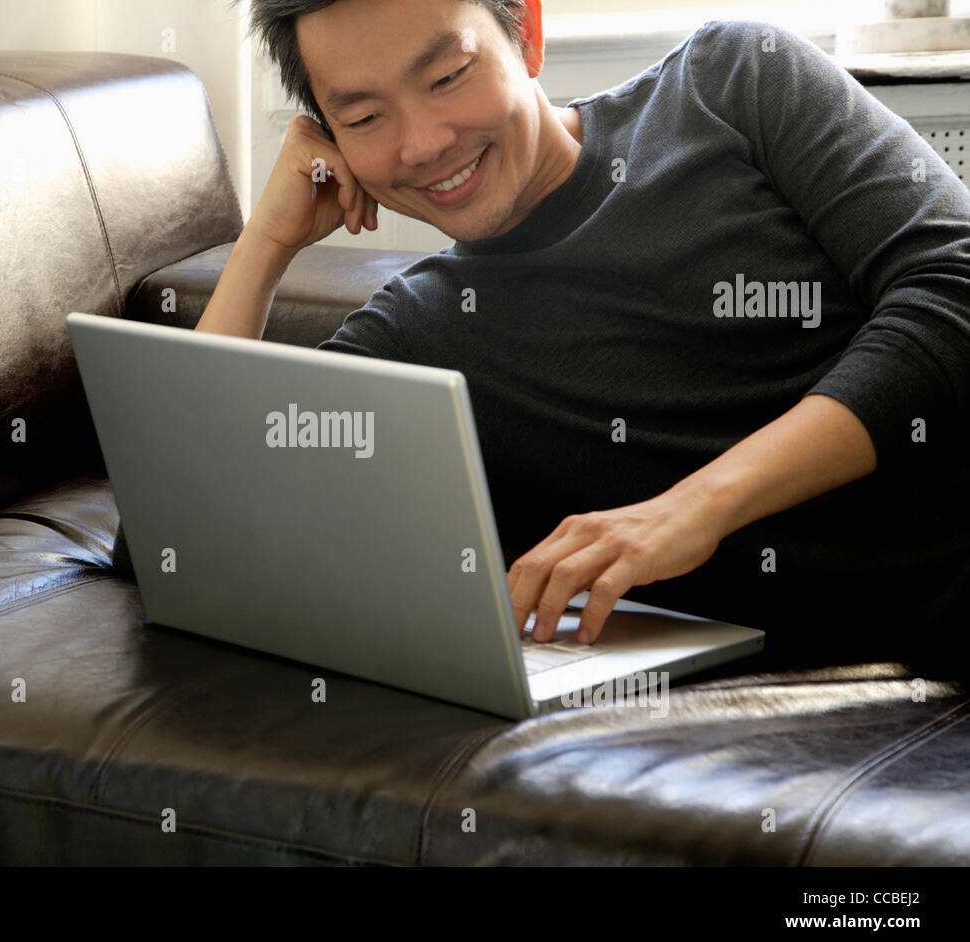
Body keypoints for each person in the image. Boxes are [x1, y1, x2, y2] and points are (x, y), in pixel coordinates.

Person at [198, 0, 970, 669]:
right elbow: (195, 537)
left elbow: (952, 288)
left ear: (525, 33)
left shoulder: (733, 82)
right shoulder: (419, 338)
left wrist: (690, 510)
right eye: (364, 118)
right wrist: (264, 245)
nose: (424, 143)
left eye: (447, 77)